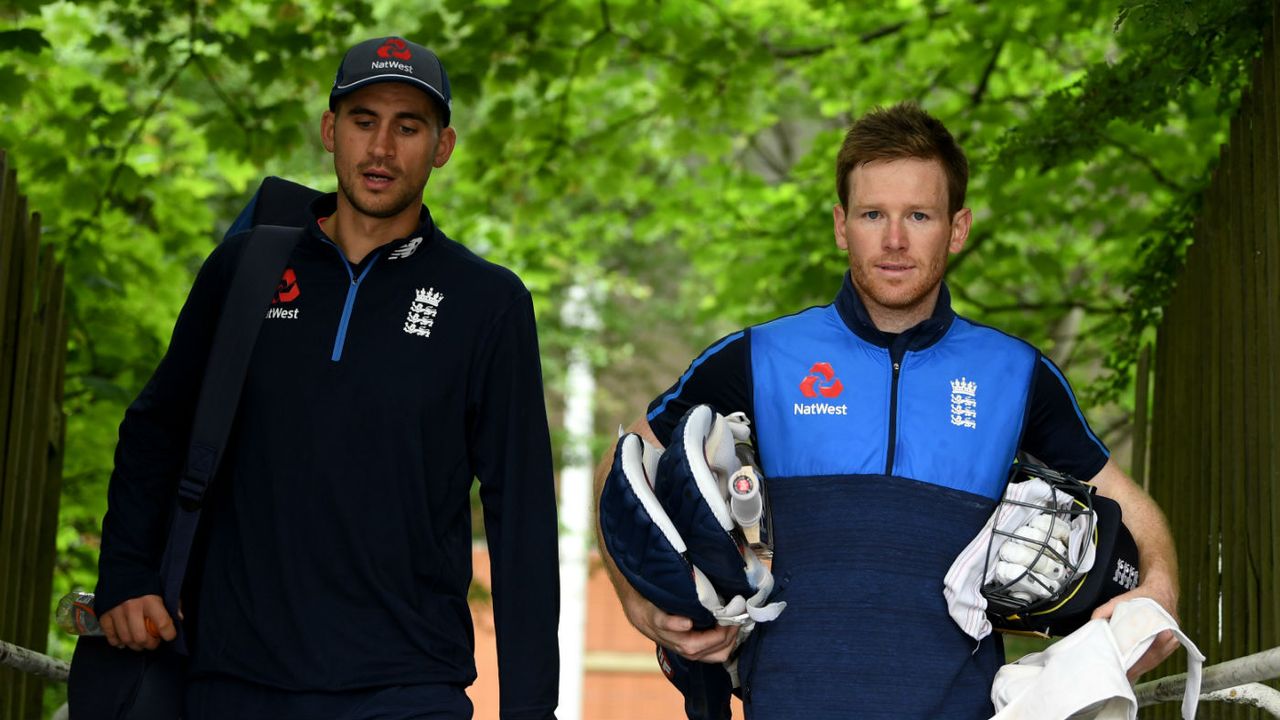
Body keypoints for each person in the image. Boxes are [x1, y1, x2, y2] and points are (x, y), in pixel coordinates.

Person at [594, 102, 1179, 719]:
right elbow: (624, 466)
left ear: (957, 228)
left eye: (919, 216)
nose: (894, 240)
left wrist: (1160, 589)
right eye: (874, 214)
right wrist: (639, 604)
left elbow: (1125, 500)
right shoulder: (759, 356)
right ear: (843, 225)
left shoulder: (1017, 373)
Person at [94, 36, 560, 719]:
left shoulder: (486, 302)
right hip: (233, 679)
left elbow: (519, 514)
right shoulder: (246, 270)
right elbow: (155, 428)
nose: (381, 148)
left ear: (442, 147)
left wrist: (529, 710)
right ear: (329, 130)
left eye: (409, 127)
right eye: (363, 121)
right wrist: (127, 575)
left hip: (407, 687)